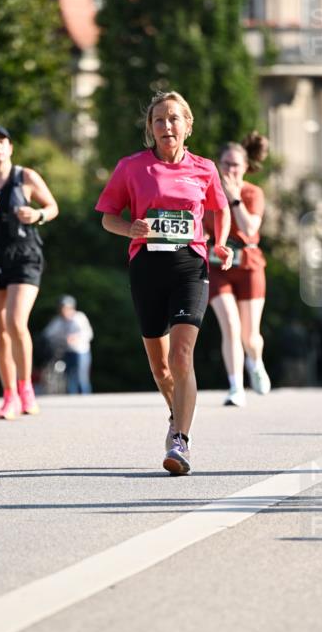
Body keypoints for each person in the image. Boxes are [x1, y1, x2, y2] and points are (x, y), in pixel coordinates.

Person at [95, 90, 233, 475]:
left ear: (188, 126)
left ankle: (180, 441)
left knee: (181, 354)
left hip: (191, 266)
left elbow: (220, 210)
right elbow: (108, 216)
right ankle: (176, 414)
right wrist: (130, 228)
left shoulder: (204, 168)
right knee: (160, 368)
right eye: (159, 120)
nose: (166, 126)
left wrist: (220, 243)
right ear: (150, 128)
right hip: (147, 269)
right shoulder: (131, 167)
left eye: (173, 118)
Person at [0, 125, 58, 419]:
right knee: (0, 330)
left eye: (2, 142)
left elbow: (52, 206)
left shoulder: (24, 177)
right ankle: (9, 396)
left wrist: (37, 214)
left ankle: (26, 387)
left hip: (24, 256)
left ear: (10, 147)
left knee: (16, 322)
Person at [204, 132, 271, 406]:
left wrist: (234, 198)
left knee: (250, 336)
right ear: (218, 165)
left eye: (236, 165)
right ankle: (235, 387)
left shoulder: (253, 193)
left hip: (249, 266)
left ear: (246, 167)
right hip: (217, 266)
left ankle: (255, 362)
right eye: (226, 164)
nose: (231, 169)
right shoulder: (207, 193)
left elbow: (250, 228)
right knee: (230, 325)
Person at [42, 295, 94, 394]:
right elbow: (47, 334)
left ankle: (86, 399)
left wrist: (76, 337)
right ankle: (72, 401)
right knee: (69, 378)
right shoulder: (58, 321)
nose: (63, 311)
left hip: (81, 351)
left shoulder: (79, 318)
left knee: (81, 377)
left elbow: (89, 334)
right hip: (66, 352)